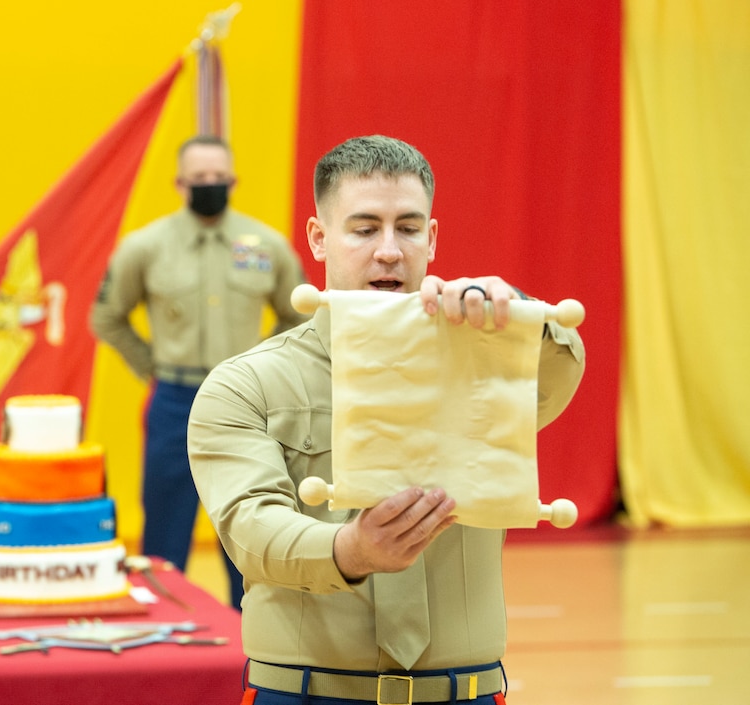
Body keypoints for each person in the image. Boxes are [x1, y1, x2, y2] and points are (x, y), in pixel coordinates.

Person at [187, 135, 585, 704]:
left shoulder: (487, 357)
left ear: (432, 237)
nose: (390, 251)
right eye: (365, 228)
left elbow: (558, 370)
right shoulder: (245, 386)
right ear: (319, 239)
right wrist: (349, 552)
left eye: (408, 227)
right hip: (304, 694)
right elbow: (249, 529)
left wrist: (515, 313)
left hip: (465, 692)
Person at [90, 134, 309, 609]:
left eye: (218, 177)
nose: (209, 184)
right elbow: (106, 315)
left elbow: (302, 313)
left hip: (250, 403)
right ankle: (160, 630)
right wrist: (150, 366)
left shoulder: (266, 244)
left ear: (233, 181)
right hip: (175, 401)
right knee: (165, 529)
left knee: (251, 523)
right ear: (179, 182)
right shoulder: (145, 246)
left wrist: (265, 365)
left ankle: (251, 638)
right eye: (199, 178)